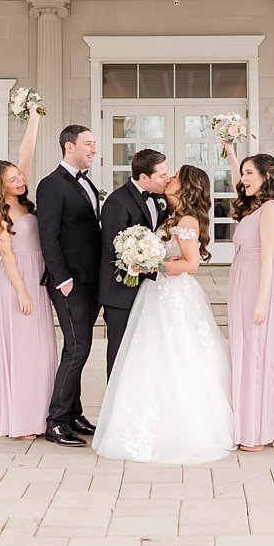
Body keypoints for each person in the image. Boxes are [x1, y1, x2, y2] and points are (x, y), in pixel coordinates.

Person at [91, 166, 234, 464]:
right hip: (156, 294)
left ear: (186, 187)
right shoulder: (170, 216)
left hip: (174, 294)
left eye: (176, 177)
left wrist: (151, 266)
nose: (169, 179)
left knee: (175, 355)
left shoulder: (187, 220)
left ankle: (182, 427)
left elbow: (192, 264)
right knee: (151, 356)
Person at [0, 101, 52, 440]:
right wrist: (22, 290)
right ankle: (21, 420)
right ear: (0, 184)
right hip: (15, 282)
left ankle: (40, 416)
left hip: (37, 275)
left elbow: (27, 153)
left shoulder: (23, 200)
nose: (21, 178)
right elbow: (6, 253)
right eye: (13, 178)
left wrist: (34, 118)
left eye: (20, 175)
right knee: (22, 352)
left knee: (41, 351)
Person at [222, 144, 274, 451]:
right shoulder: (253, 206)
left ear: (267, 176)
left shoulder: (271, 210)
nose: (242, 179)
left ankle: (256, 430)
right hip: (241, 282)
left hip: (258, 284)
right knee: (243, 352)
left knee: (256, 355)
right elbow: (238, 179)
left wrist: (262, 301)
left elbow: (269, 259)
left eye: (249, 174)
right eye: (242, 174)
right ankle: (247, 422)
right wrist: (230, 153)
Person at [36, 124, 103, 447]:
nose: (93, 149)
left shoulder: (87, 183)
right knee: (77, 348)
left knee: (78, 347)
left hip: (92, 280)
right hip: (68, 282)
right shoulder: (51, 185)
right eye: (88, 144)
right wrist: (61, 277)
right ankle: (57, 421)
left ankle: (74, 413)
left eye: (94, 144)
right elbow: (48, 235)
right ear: (69, 146)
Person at [98, 148, 172, 376]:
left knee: (144, 350)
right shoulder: (116, 202)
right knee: (120, 351)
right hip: (121, 291)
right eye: (162, 175)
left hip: (148, 290)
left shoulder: (160, 198)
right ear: (143, 178)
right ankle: (115, 406)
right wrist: (152, 265)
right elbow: (115, 248)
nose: (167, 179)